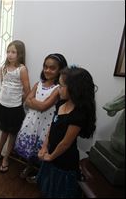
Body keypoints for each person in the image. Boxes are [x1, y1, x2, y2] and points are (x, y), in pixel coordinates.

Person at [36, 66, 96, 198]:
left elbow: (65, 143)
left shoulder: (79, 114)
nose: (58, 89)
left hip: (64, 160)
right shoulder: (61, 103)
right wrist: (44, 147)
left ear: (75, 89)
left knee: (59, 191)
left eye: (61, 86)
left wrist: (51, 157)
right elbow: (52, 127)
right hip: (51, 152)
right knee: (47, 187)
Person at [14, 53, 68, 181]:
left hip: (46, 125)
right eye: (45, 67)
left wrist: (34, 103)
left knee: (42, 149)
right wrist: (35, 103)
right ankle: (29, 166)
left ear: (60, 70)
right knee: (31, 148)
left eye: (52, 68)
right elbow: (27, 100)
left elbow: (44, 106)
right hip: (31, 122)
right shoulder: (38, 84)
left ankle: (41, 174)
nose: (47, 70)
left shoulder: (58, 88)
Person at [0, 40, 30, 173]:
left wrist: (18, 99)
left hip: (15, 108)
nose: (10, 55)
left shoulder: (22, 69)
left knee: (12, 133)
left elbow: (27, 91)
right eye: (8, 51)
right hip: (3, 105)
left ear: (20, 54)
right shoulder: (3, 68)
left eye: (14, 52)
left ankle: (6, 157)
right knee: (3, 130)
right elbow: (3, 85)